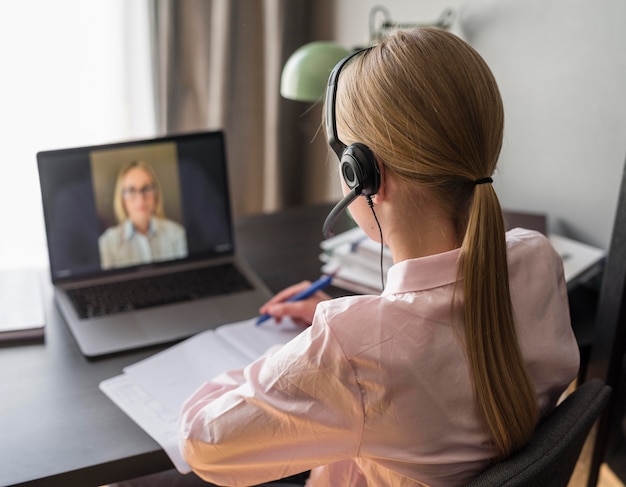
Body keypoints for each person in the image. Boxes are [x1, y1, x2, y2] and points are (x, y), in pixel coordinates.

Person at [178, 28, 580, 486]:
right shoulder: (539, 261)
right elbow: (437, 336)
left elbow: (200, 441)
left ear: (364, 176)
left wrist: (298, 361)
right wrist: (348, 340)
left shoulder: (350, 352)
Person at [98, 160, 188, 269]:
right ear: (122, 199)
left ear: (156, 194)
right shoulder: (107, 243)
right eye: (131, 190)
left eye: (146, 188)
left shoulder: (177, 234)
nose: (141, 198)